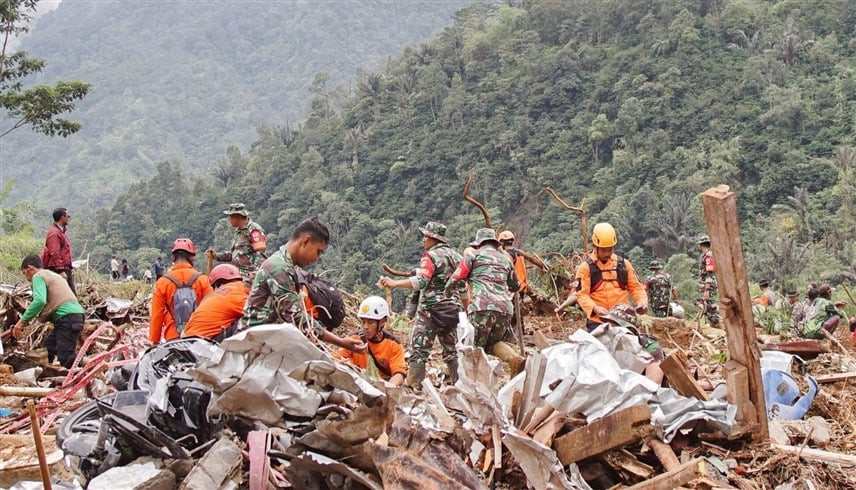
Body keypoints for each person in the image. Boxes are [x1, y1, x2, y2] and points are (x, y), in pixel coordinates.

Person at [239, 218, 365, 353]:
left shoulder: (284, 265)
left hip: (264, 343)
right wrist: (340, 342)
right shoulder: (279, 268)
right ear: (305, 241)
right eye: (318, 252)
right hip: (253, 345)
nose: (316, 259)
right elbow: (296, 318)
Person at [379, 221, 465, 387]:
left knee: (419, 349)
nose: (423, 240)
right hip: (451, 310)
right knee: (451, 350)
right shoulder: (457, 257)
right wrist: (465, 311)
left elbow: (422, 281)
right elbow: (462, 287)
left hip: (430, 311)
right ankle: (460, 386)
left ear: (434, 238)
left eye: (426, 236)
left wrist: (395, 283)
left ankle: (414, 385)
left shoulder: (430, 256)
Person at [445, 228, 525, 376]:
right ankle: (514, 358)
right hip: (505, 309)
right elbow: (516, 285)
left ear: (479, 243)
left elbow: (456, 278)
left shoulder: (472, 256)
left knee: (474, 346)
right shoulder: (505, 259)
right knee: (493, 343)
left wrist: (447, 293)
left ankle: (475, 382)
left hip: (481, 307)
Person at [12, 255, 85, 368]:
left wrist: (22, 322)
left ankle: (83, 377)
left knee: (65, 357)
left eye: (24, 273)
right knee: (47, 350)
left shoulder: (38, 276)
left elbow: (39, 301)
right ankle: (44, 373)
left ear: (30, 268)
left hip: (67, 317)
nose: (26, 277)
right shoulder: (53, 275)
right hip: (75, 315)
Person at [575, 223, 648, 331]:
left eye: (610, 249)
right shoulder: (585, 268)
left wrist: (642, 302)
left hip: (623, 320)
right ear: (595, 247)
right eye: (603, 250)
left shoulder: (623, 264)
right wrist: (595, 308)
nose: (607, 253)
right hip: (598, 322)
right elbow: (582, 295)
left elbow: (636, 287)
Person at [150, 238, 213, 344]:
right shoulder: (203, 280)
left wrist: (154, 341)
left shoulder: (162, 282)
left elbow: (157, 315)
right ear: (192, 258)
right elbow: (211, 310)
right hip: (198, 337)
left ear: (173, 258)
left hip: (173, 338)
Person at [338, 296, 406, 387]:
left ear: (383, 322)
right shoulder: (353, 339)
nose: (365, 327)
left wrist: (389, 387)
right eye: (363, 322)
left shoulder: (393, 344)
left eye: (370, 322)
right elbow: (336, 359)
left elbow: (399, 373)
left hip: (381, 385)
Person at [591, 304, 665, 384]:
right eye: (607, 324)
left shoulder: (646, 345)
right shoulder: (600, 340)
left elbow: (653, 383)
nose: (609, 328)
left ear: (629, 329)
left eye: (614, 325)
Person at [182, 264, 248, 342]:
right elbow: (257, 311)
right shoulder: (235, 291)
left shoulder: (213, 296)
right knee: (250, 320)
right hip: (204, 343)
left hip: (189, 339)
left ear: (217, 284)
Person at [207, 203, 268, 286]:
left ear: (238, 216)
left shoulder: (254, 230)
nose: (229, 219)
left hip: (249, 278)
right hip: (237, 275)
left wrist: (254, 277)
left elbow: (260, 255)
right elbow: (235, 255)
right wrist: (216, 256)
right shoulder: (239, 232)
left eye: (231, 217)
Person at [40, 207, 75, 294]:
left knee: (68, 295)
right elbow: (54, 253)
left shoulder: (60, 232)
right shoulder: (54, 233)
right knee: (68, 296)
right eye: (67, 215)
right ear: (62, 217)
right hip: (58, 269)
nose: (68, 217)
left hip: (64, 268)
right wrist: (61, 271)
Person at [697, 235, 721, 327]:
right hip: (705, 285)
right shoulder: (706, 255)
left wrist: (707, 289)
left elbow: (709, 272)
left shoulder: (708, 255)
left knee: (711, 310)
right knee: (707, 308)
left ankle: (718, 328)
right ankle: (714, 326)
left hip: (708, 286)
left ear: (701, 245)